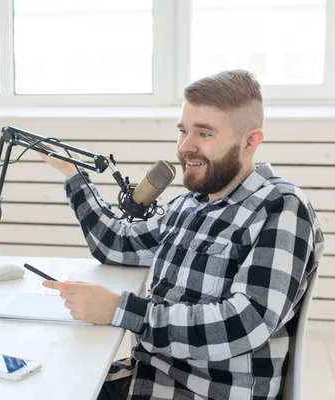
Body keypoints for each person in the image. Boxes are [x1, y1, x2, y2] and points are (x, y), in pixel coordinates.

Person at [40, 69, 324, 400]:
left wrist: (121, 310)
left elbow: (247, 322)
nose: (185, 147)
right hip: (147, 376)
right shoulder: (188, 204)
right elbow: (117, 244)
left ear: (250, 141)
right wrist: (72, 173)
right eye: (183, 131)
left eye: (203, 134)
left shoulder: (280, 206)